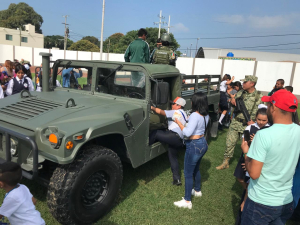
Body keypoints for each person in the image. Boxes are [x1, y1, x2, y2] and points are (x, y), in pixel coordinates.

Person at [241, 89, 300, 225]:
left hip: (261, 202)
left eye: (268, 105)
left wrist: (246, 153)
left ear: (273, 107)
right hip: (286, 201)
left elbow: (254, 173)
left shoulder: (264, 135)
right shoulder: (298, 131)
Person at [216, 75, 262, 170]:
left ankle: (248, 165)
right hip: (236, 122)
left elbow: (262, 112)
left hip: (248, 125)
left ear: (252, 83)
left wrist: (255, 121)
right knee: (229, 143)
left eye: (245, 82)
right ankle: (225, 162)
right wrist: (233, 100)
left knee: (247, 146)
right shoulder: (240, 92)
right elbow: (233, 98)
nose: (243, 84)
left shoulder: (258, 96)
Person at [173, 92, 209, 209]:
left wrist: (178, 122)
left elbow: (187, 133)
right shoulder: (206, 115)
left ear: (195, 102)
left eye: (192, 100)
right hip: (202, 143)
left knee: (188, 174)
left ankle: (187, 200)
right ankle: (197, 190)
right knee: (196, 168)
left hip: (194, 145)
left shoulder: (195, 115)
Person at [149, 97, 187, 186]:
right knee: (173, 157)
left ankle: (144, 149)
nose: (172, 105)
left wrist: (151, 107)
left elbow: (160, 112)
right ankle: (177, 179)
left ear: (178, 106)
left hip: (173, 136)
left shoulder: (175, 112)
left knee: (155, 133)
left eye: (173, 103)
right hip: (180, 140)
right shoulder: (184, 113)